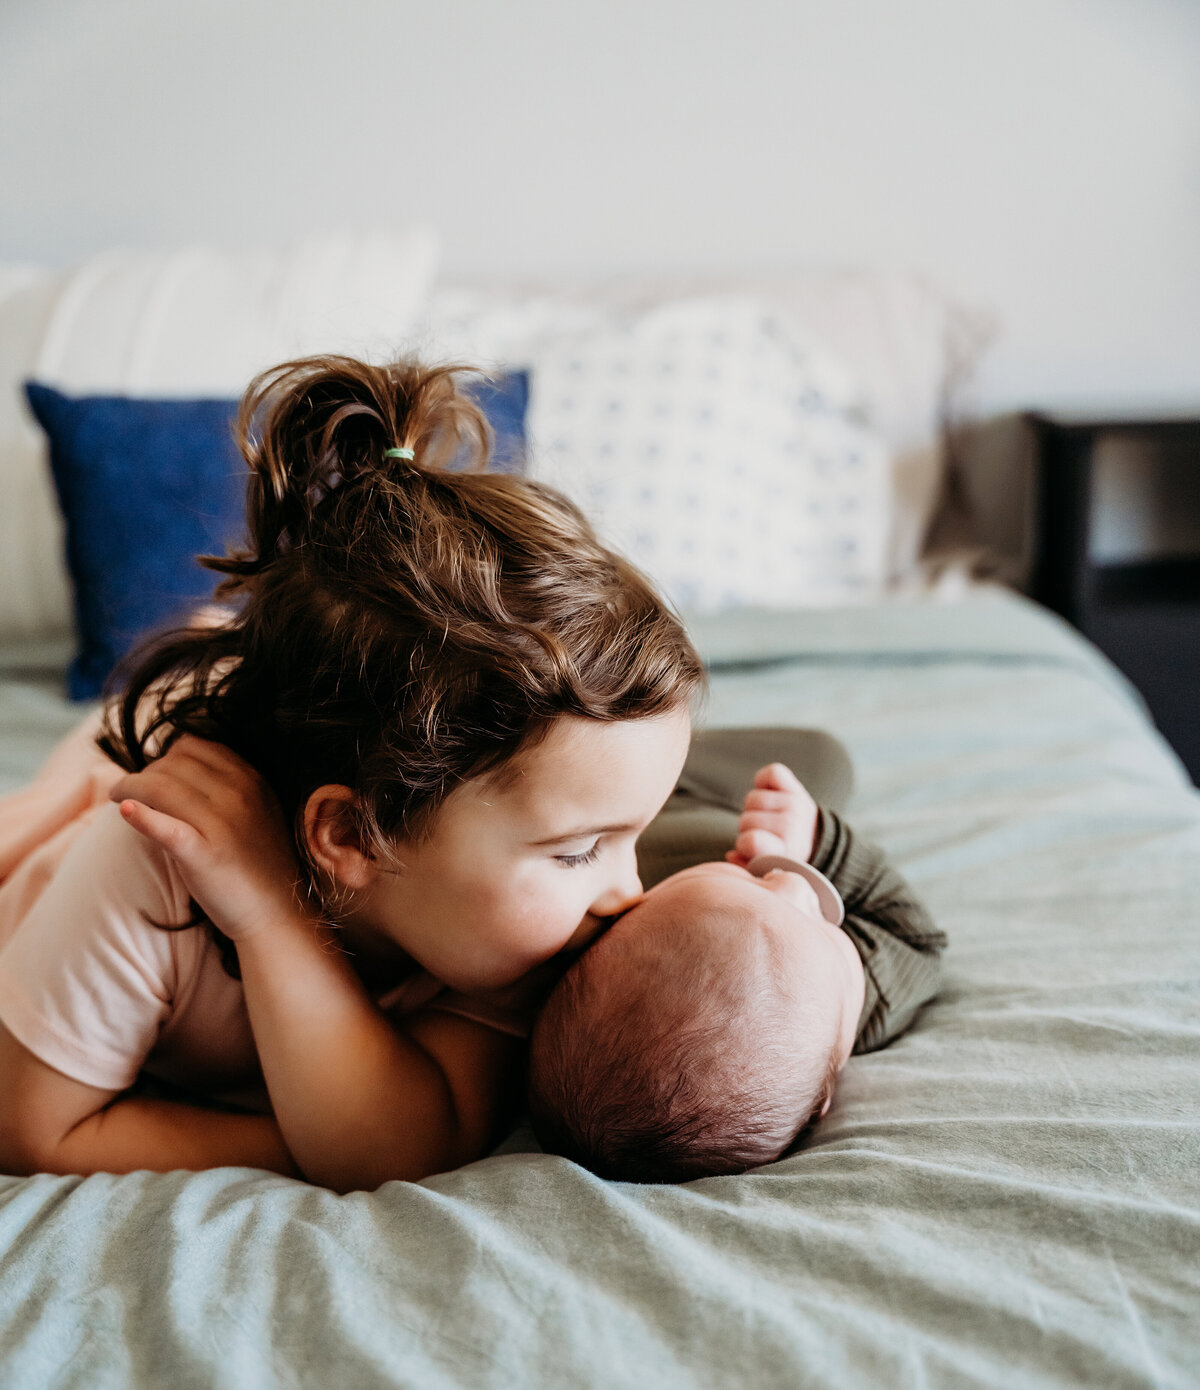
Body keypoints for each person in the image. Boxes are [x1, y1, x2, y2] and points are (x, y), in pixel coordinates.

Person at [0, 355, 704, 1193]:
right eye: (580, 848)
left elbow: (411, 1137)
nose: (628, 892)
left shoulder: (504, 935)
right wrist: (265, 916)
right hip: (84, 852)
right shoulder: (156, 866)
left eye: (632, 833)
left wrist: (277, 922)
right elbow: (35, 1130)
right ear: (348, 835)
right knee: (113, 761)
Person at [527, 728, 947, 1183]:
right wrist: (821, 842)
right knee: (826, 760)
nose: (796, 884)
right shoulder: (847, 1011)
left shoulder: (580, 939)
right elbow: (916, 938)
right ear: (823, 1095)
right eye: (825, 932)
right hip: (734, 811)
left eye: (746, 883)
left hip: (634, 806)